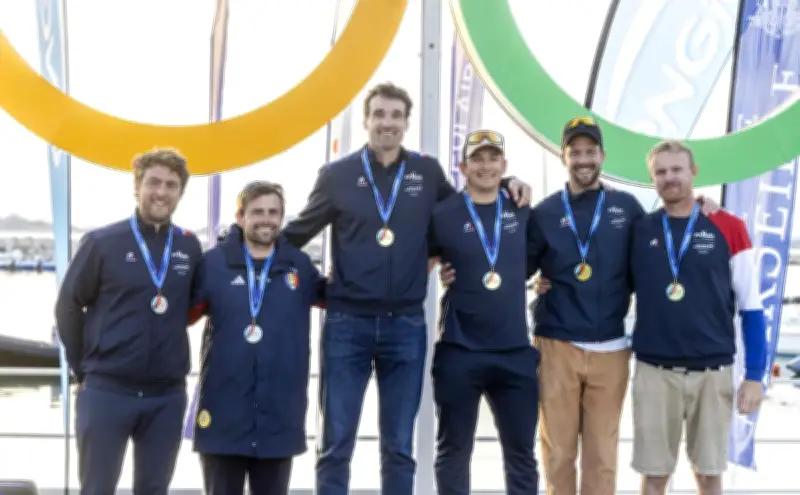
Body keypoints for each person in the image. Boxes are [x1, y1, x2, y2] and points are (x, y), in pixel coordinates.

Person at [279, 82, 532, 495]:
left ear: (406, 122)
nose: (387, 123)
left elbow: (468, 209)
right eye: (379, 114)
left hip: (407, 326)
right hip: (348, 324)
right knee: (335, 443)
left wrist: (510, 182)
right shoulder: (336, 176)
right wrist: (314, 285)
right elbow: (294, 236)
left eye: (396, 115)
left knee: (399, 446)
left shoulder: (426, 172)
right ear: (367, 120)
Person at [442, 117, 643, 495]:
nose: (583, 159)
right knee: (558, 455)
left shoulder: (627, 208)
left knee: (602, 456)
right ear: (562, 156)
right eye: (574, 152)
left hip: (612, 348)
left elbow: (656, 256)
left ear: (602, 155)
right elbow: (508, 266)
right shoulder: (544, 212)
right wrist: (455, 270)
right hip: (556, 344)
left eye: (589, 151)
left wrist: (703, 207)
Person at [54, 148, 203, 495]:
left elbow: (195, 306)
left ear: (181, 192)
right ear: (136, 186)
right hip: (108, 391)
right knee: (97, 489)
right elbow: (67, 308)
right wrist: (86, 370)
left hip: (166, 396)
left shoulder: (189, 246)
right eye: (153, 182)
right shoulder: (102, 242)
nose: (161, 192)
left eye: (171, 185)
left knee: (154, 489)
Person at [628, 140, 766, 495]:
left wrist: (754, 376)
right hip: (654, 372)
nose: (669, 177)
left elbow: (751, 307)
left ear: (694, 172)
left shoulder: (730, 227)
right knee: (654, 477)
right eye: (661, 172)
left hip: (713, 371)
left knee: (708, 476)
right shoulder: (641, 230)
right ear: (652, 178)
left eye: (677, 169)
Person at [189, 181, 327, 495]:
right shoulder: (213, 264)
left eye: (273, 212)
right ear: (240, 216)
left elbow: (342, 296)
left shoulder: (299, 266)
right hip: (224, 415)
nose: (266, 219)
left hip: (279, 415)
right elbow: (179, 315)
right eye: (257, 212)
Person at [428, 130, 542, 495]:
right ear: (462, 167)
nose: (486, 166)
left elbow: (542, 260)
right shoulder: (442, 213)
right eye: (477, 159)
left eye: (494, 158)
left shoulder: (522, 210)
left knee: (522, 454)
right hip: (459, 350)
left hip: (514, 352)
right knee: (453, 450)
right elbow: (419, 261)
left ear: (504, 166)